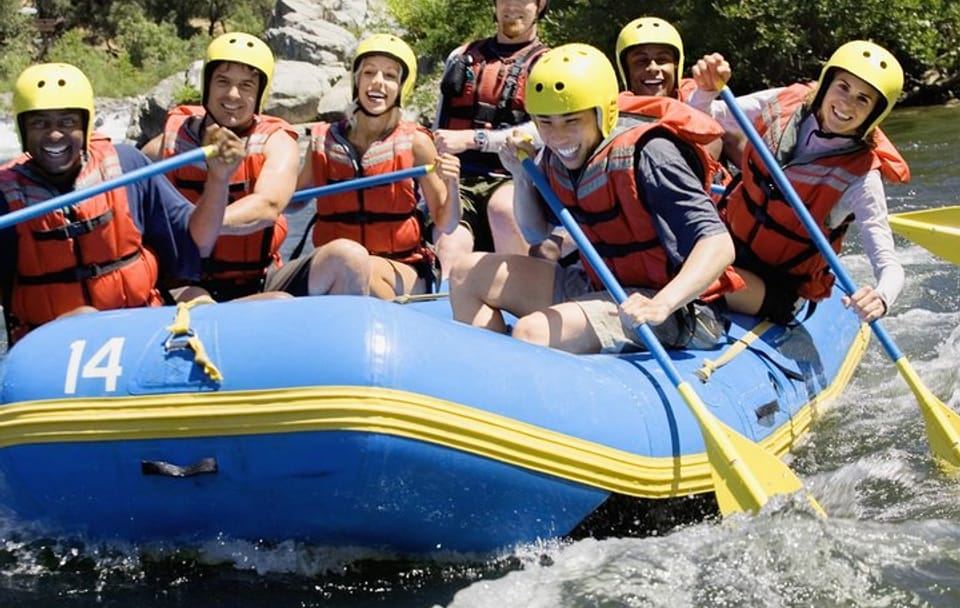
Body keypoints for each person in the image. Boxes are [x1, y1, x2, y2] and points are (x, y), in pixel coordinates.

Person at [449, 44, 740, 354]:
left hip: (676, 306)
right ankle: (491, 382)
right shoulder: (556, 155)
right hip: (599, 283)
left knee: (532, 332)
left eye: (571, 121)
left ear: (604, 113)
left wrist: (662, 304)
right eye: (545, 122)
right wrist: (521, 175)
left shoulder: (651, 154)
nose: (558, 136)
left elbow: (719, 245)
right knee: (466, 273)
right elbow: (535, 233)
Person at [0, 62, 243, 345]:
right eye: (39, 123)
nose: (54, 135)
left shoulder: (127, 166)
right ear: (22, 130)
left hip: (140, 328)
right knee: (84, 316)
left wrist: (219, 177)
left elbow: (198, 241)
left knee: (200, 299)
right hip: (51, 348)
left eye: (67, 122)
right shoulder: (5, 197)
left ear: (86, 126)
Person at [689, 40, 910, 323]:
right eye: (843, 87)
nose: (846, 103)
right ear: (826, 83)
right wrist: (706, 90)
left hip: (778, 285)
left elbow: (889, 265)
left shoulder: (862, 179)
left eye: (863, 99)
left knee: (689, 274)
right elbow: (703, 116)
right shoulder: (787, 101)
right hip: (726, 242)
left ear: (874, 114)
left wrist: (881, 297)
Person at [292, 33, 461, 299]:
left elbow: (446, 223)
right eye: (369, 72)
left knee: (362, 269)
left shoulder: (416, 142)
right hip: (340, 261)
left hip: (404, 266)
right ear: (357, 81)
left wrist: (453, 184)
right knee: (349, 264)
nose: (378, 82)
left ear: (402, 86)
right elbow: (291, 203)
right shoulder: (324, 141)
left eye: (390, 76)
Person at [141, 32, 303, 302]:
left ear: (259, 93)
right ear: (207, 86)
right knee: (201, 298)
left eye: (246, 85)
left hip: (259, 278)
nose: (232, 94)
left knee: (345, 256)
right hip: (186, 280)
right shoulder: (167, 144)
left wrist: (198, 225)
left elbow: (268, 207)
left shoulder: (277, 143)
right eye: (223, 82)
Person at [431, 0, 550, 274]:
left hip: (514, 177)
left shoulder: (547, 64)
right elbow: (440, 124)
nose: (513, 7)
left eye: (524, 1)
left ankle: (520, 297)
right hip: (458, 179)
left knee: (502, 210)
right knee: (450, 246)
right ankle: (446, 305)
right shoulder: (461, 56)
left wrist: (475, 139)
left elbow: (543, 131)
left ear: (539, 6)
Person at [614, 16, 731, 199]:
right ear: (626, 71)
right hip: (658, 203)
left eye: (662, 60)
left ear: (676, 66)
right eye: (641, 61)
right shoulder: (618, 112)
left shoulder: (695, 93)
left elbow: (711, 124)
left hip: (717, 202)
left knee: (730, 135)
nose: (653, 68)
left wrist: (706, 94)